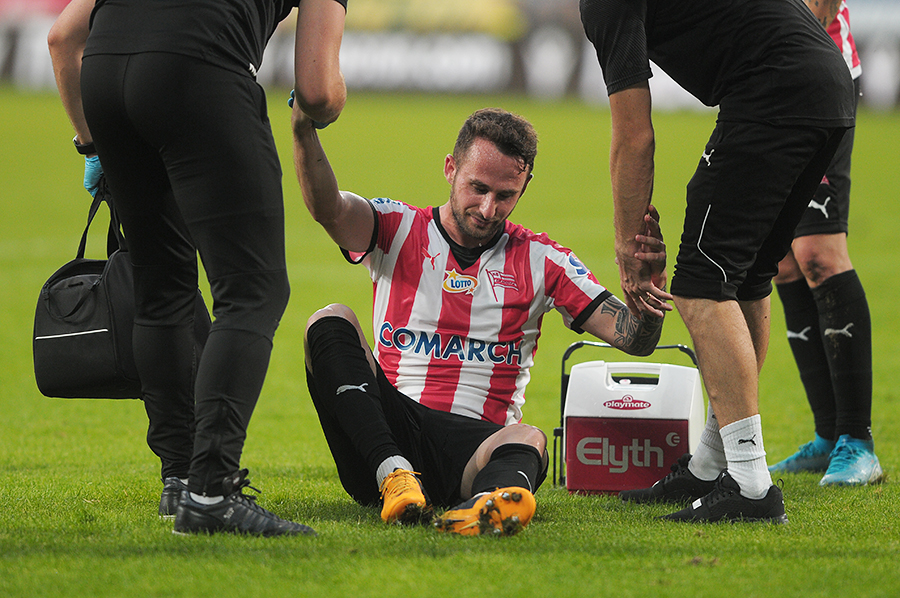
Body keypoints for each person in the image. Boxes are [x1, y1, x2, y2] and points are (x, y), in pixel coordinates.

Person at [47, 0, 348, 536]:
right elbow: (318, 90)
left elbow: (62, 38)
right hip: (199, 71)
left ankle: (181, 478)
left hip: (106, 79)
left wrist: (91, 145)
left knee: (161, 284)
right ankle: (212, 492)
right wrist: (323, 108)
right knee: (252, 291)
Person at [292, 107, 668, 535]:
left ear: (525, 186)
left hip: (473, 450)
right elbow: (329, 209)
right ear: (450, 169)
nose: (488, 209)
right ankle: (393, 474)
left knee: (528, 437)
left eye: (505, 195)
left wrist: (646, 299)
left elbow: (635, 340)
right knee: (330, 320)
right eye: (478, 188)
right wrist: (303, 130)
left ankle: (485, 506)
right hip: (388, 430)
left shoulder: (545, 261)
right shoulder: (396, 227)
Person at [580, 0, 856, 523]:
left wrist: (628, 247)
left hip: (773, 90)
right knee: (745, 278)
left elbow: (634, 135)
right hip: (827, 82)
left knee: (701, 284)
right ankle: (712, 464)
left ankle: (751, 485)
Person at [768, 1, 882, 486]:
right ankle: (828, 434)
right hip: (762, 78)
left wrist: (801, 51)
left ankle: (858, 441)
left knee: (818, 252)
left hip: (816, 67)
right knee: (782, 260)